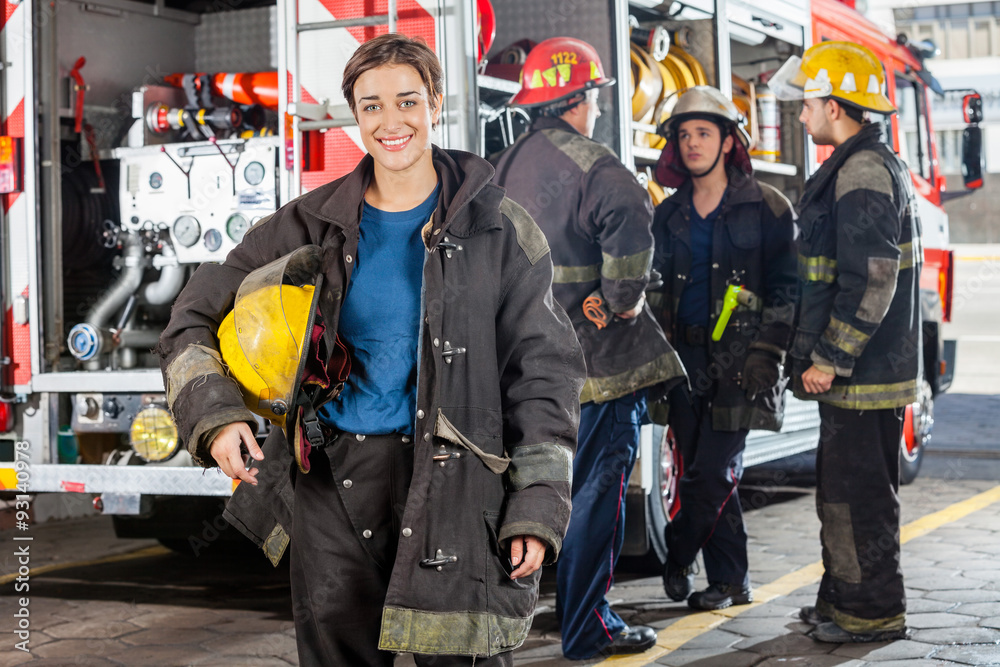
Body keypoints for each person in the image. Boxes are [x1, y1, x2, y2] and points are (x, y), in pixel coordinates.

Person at [156, 33, 587, 666]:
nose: (392, 122)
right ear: (354, 115)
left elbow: (544, 372)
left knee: (462, 656)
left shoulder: (500, 227)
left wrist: (537, 502)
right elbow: (190, 318)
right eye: (371, 105)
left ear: (435, 103)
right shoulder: (308, 225)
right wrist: (216, 420)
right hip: (332, 483)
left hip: (460, 485)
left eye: (407, 101)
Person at [491, 36, 686, 660]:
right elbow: (631, 225)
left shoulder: (505, 164)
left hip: (526, 373)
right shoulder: (597, 164)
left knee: (536, 494)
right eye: (596, 96)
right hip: (596, 371)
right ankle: (587, 628)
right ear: (579, 99)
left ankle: (524, 620)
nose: (599, 107)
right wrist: (622, 298)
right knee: (595, 496)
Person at [770, 41, 921, 643]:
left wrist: (831, 357)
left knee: (860, 502)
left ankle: (873, 614)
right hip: (860, 377)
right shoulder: (857, 163)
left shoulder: (861, 171)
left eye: (807, 106)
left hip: (863, 375)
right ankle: (842, 601)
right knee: (841, 495)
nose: (801, 117)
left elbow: (872, 279)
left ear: (834, 105)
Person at [648, 86, 797, 611]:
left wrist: (768, 354)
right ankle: (730, 581)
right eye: (683, 134)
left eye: (703, 133)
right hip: (682, 365)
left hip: (743, 365)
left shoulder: (767, 208)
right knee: (705, 473)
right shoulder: (668, 216)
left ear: (729, 141)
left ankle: (677, 551)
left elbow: (787, 290)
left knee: (713, 472)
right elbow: (653, 289)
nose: (692, 144)